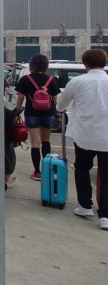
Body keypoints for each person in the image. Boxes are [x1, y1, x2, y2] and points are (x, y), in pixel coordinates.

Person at [55, 49, 108, 231]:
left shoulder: (77, 82)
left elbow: (61, 105)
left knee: (82, 168)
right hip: (107, 135)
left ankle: (85, 206)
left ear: (85, 64)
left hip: (84, 134)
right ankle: (105, 216)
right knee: (106, 175)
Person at [14, 54, 60, 181]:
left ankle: (37, 172)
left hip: (32, 113)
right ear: (46, 66)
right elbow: (55, 99)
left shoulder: (25, 79)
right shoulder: (51, 79)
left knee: (35, 143)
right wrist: (56, 113)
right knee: (46, 142)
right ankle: (47, 171)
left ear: (31, 65)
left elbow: (20, 98)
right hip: (48, 114)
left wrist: (17, 112)